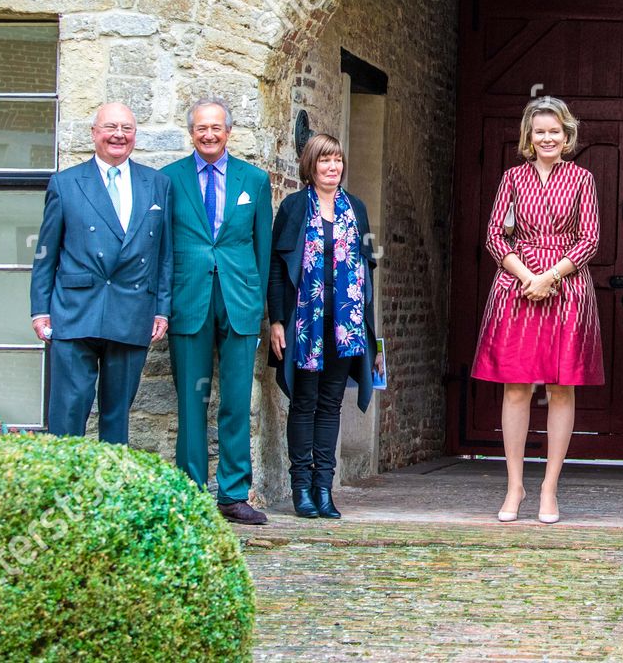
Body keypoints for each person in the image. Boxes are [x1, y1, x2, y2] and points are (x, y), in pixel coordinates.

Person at [474, 96, 603, 525]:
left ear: (567, 136)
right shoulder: (512, 178)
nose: (547, 138)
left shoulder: (583, 179)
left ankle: (549, 487)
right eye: (540, 131)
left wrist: (549, 277)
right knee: (516, 386)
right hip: (516, 285)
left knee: (561, 386)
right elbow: (495, 237)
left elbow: (589, 239)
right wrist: (527, 276)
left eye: (555, 131)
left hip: (566, 287)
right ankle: (515, 485)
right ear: (529, 136)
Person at [30, 103, 172, 444]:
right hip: (75, 310)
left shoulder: (157, 184)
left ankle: (111, 492)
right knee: (68, 411)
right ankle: (64, 489)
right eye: (110, 127)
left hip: (132, 309)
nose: (118, 135)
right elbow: (46, 251)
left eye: (126, 128)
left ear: (135, 136)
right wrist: (40, 308)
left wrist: (162, 308)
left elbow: (164, 254)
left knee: (117, 414)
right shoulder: (65, 183)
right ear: (94, 133)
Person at [163, 97, 273, 526]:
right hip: (188, 299)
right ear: (191, 132)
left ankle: (232, 493)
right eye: (200, 128)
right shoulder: (169, 179)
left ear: (229, 132)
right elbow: (161, 246)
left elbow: (261, 248)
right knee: (192, 400)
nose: (209, 134)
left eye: (216, 128)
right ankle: (190, 492)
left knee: (235, 400)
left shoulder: (254, 180)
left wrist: (258, 302)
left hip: (239, 300)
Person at [268, 133, 382, 520]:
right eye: (324, 161)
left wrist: (373, 337)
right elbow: (278, 268)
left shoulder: (357, 209)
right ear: (311, 166)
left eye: (337, 161)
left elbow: (367, 275)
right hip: (304, 324)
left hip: (344, 324)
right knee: (304, 403)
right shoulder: (295, 207)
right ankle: (301, 488)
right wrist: (277, 320)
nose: (332, 168)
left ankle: (324, 489)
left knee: (331, 405)